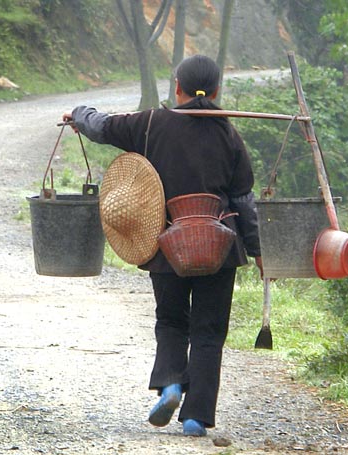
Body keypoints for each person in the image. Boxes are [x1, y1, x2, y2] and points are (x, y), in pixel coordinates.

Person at [62, 55, 263, 437]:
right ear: (218, 91)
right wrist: (256, 250)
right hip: (219, 247)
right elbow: (243, 198)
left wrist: (78, 112)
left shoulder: (150, 123)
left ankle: (171, 384)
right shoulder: (229, 135)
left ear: (177, 87)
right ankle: (195, 417)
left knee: (171, 321)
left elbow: (101, 127)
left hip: (166, 245)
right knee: (208, 332)